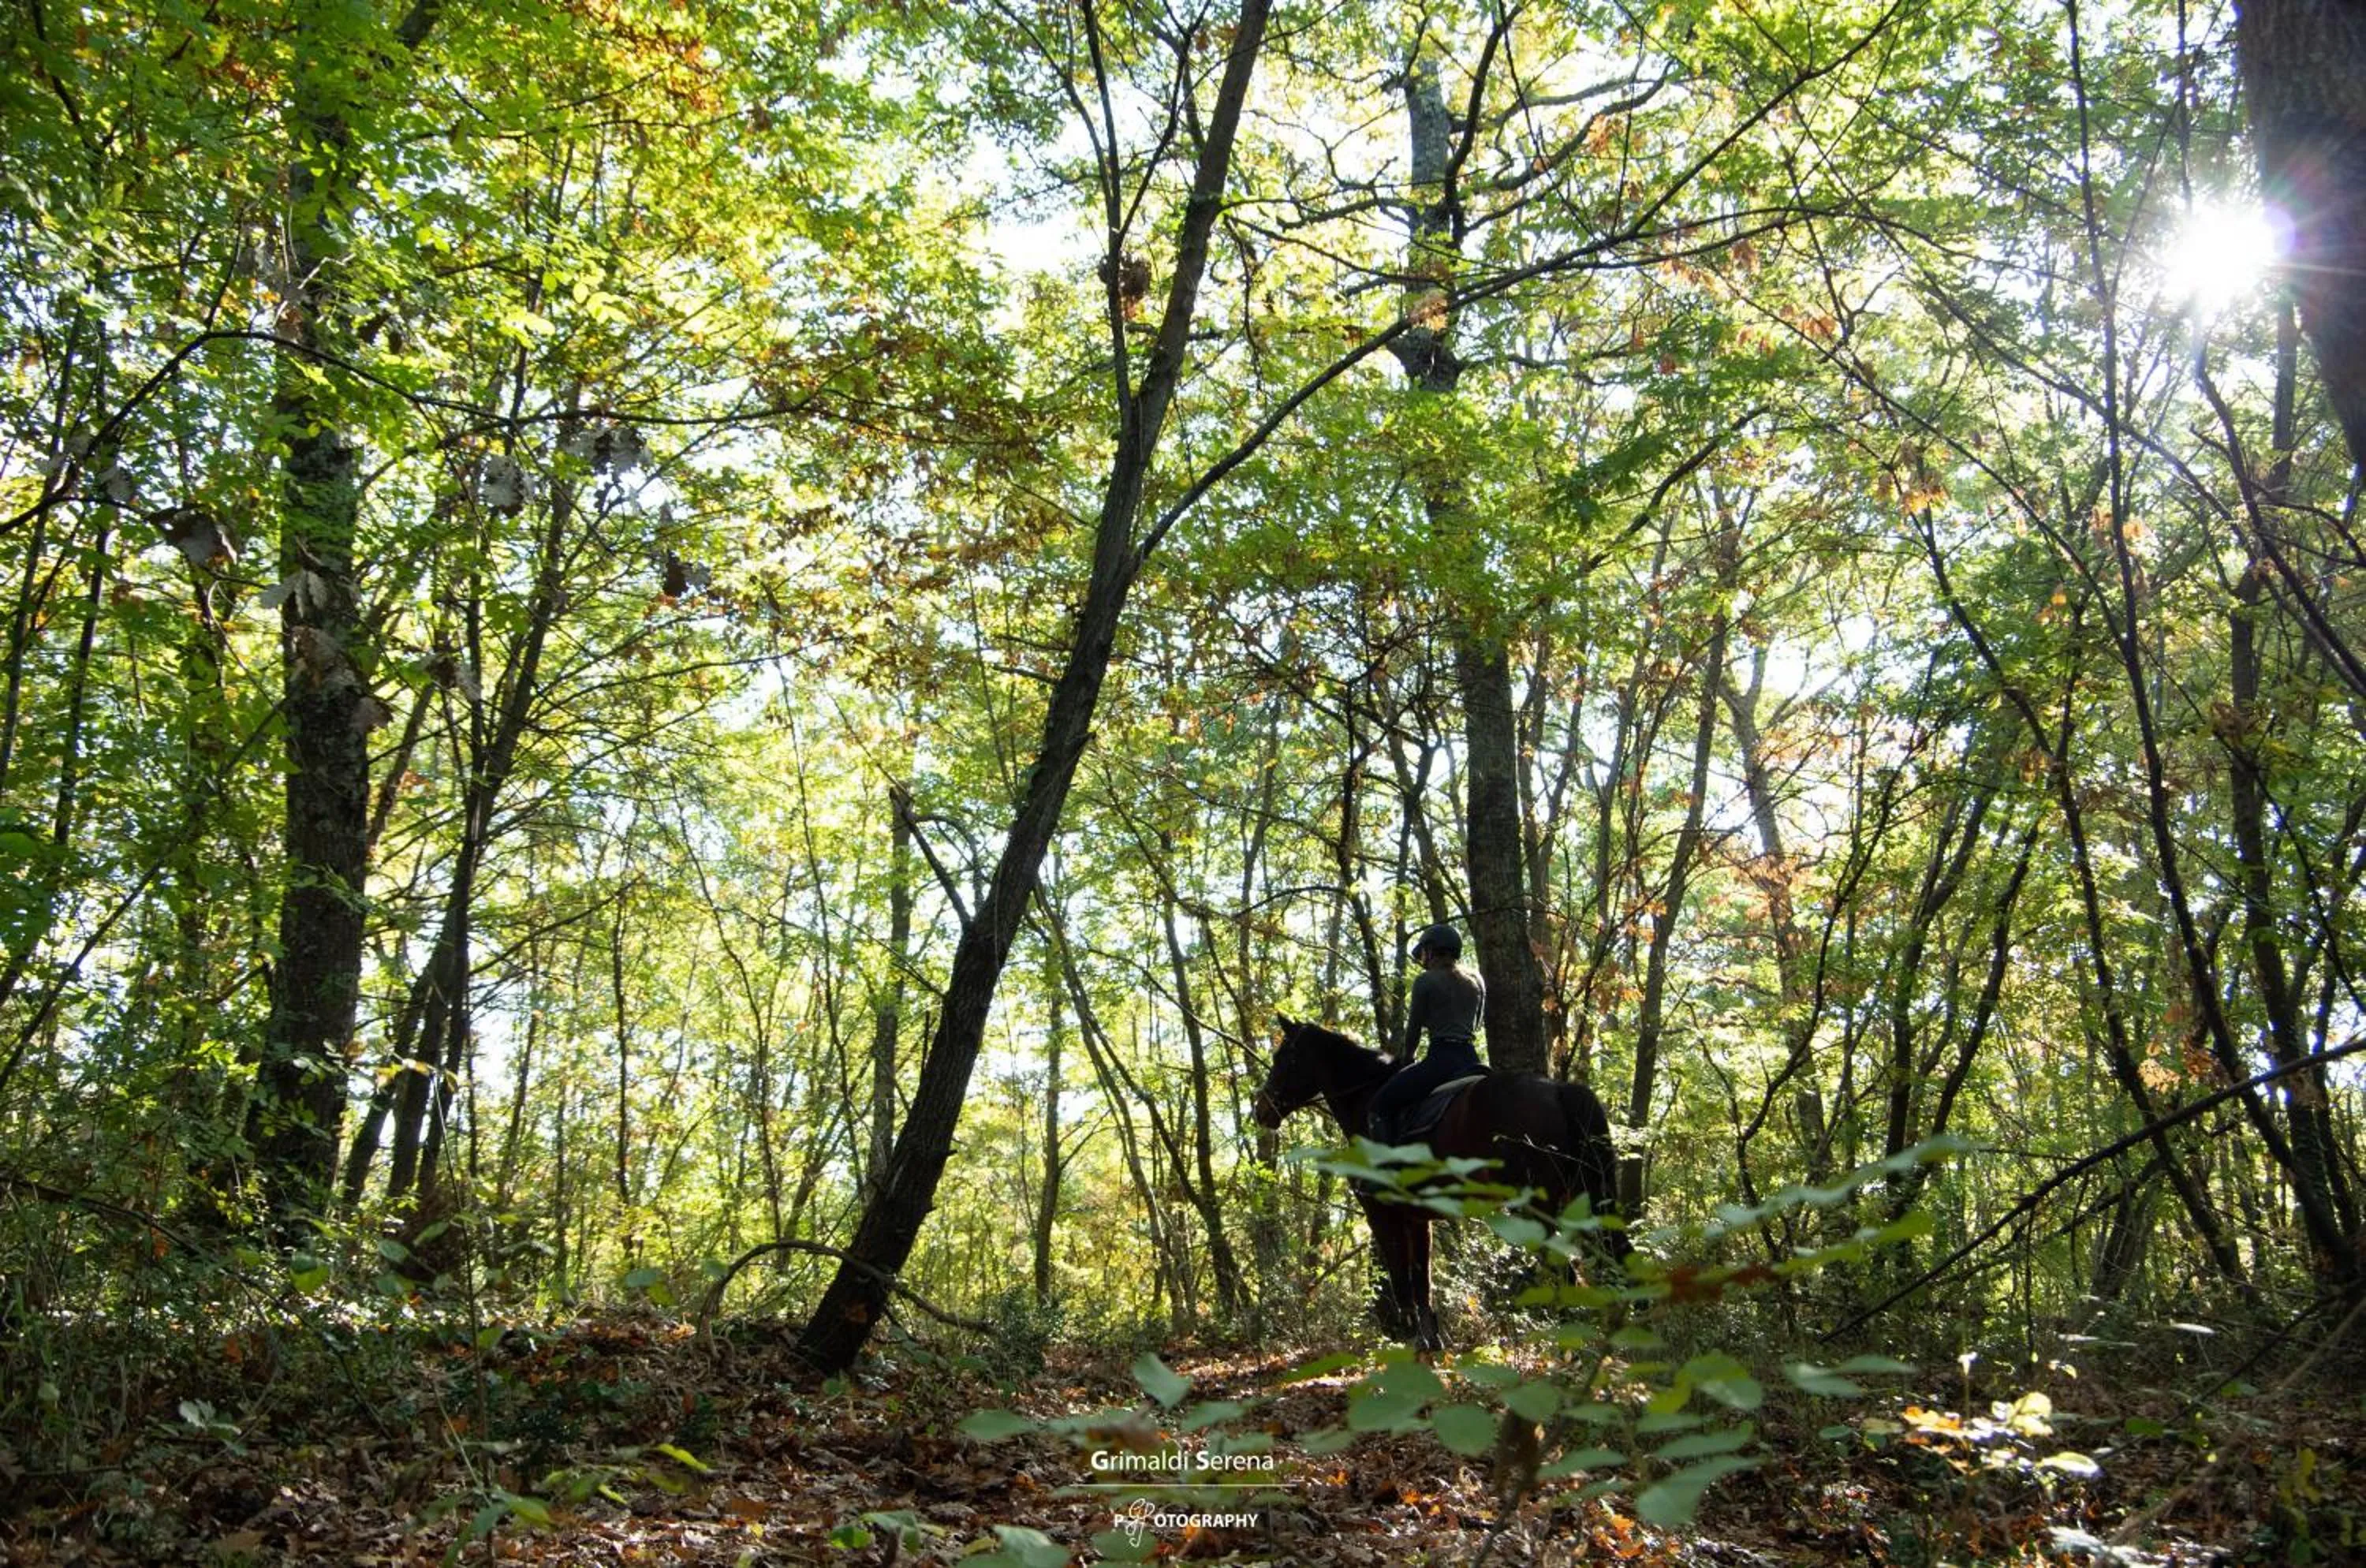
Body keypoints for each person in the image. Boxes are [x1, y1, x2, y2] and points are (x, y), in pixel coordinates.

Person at [1370, 923, 1487, 1143]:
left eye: (1425, 951)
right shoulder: (1477, 980)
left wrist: (1408, 1060)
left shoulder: (1426, 981)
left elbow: (1413, 1030)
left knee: (1380, 1105)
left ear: (1432, 950)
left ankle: (1386, 1170)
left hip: (1441, 1060)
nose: (1424, 958)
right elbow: (1478, 1022)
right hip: (1472, 1060)